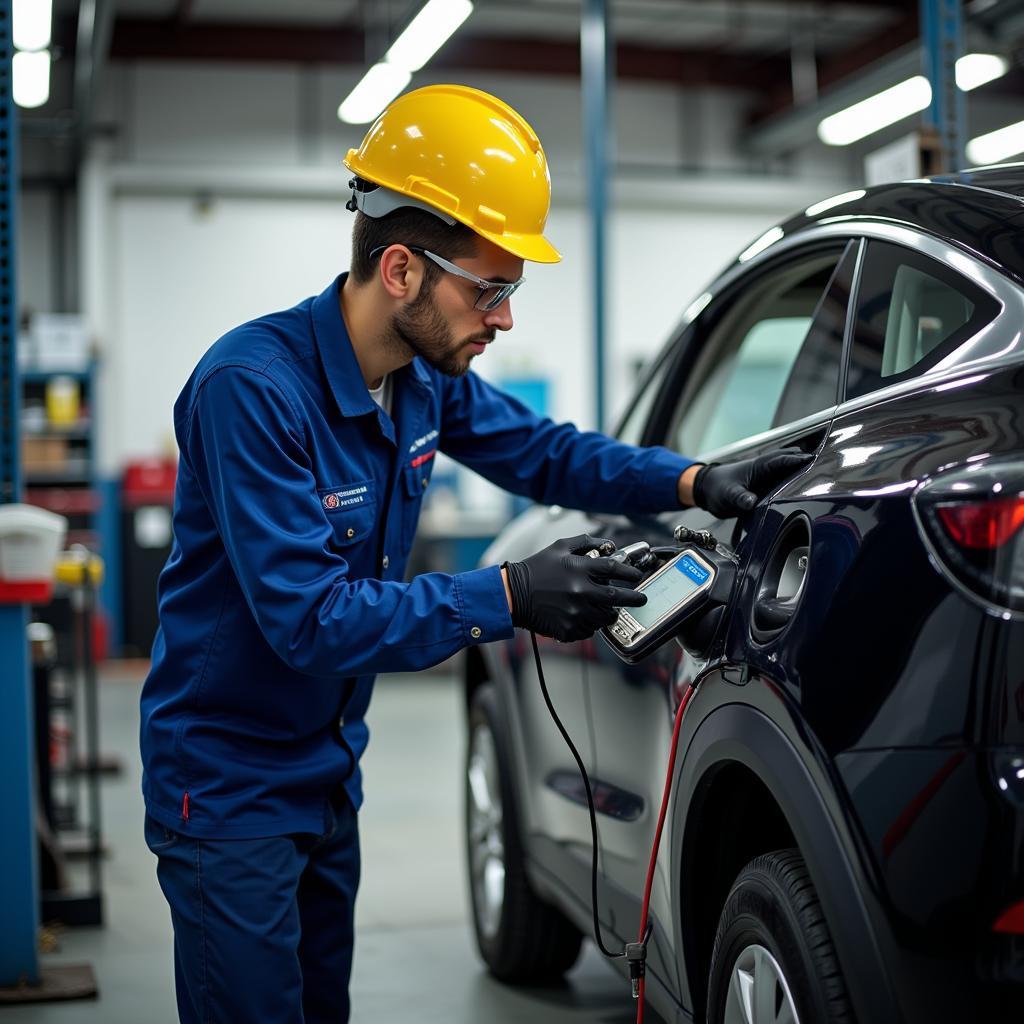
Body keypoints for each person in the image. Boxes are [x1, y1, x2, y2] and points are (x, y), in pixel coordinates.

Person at [139, 83, 809, 1023]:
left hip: (326, 769)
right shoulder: (250, 391)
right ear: (403, 270)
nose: (502, 320)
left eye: (510, 292)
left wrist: (693, 481)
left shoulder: (419, 380)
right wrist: (508, 594)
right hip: (229, 788)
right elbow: (309, 619)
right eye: (489, 289)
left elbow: (548, 453)